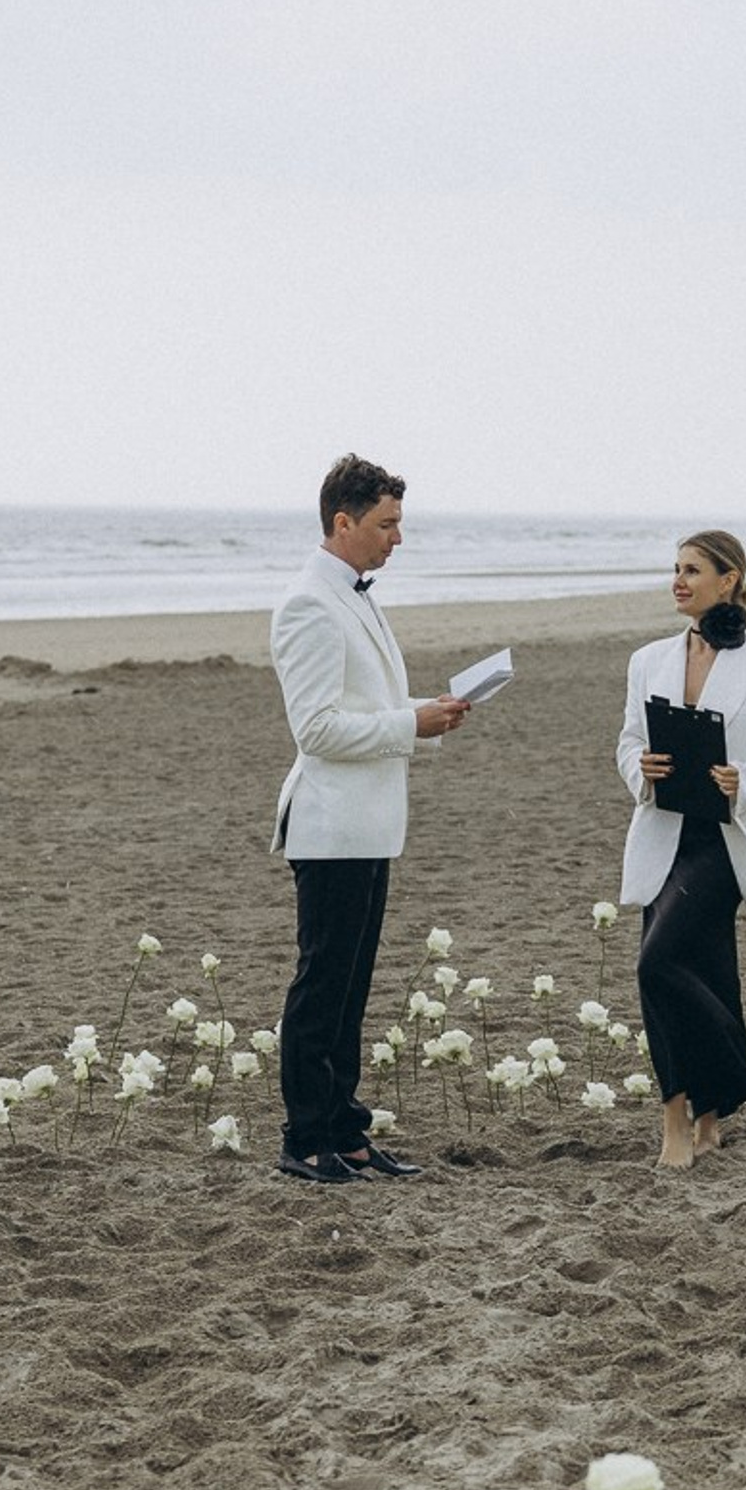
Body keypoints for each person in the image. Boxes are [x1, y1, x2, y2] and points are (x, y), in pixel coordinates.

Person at [269, 453, 470, 1185]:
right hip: (330, 827)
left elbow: (362, 701)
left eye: (400, 524)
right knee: (322, 985)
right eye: (386, 525)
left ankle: (347, 1131)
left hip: (370, 821)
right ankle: (304, 1135)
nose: (397, 539)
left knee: (353, 988)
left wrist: (429, 713)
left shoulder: (353, 595)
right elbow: (317, 729)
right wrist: (408, 725)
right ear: (343, 522)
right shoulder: (307, 604)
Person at [616, 531, 746, 1169]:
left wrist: (744, 779)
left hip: (726, 839)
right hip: (662, 830)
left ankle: (708, 1097)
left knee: (656, 963)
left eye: (692, 569)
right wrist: (640, 767)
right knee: (708, 969)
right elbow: (625, 742)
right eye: (675, 568)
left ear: (728, 580)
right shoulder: (647, 659)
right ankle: (698, 1119)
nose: (678, 579)